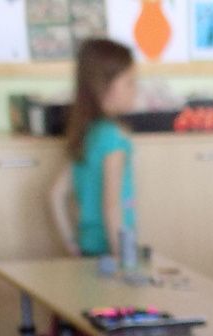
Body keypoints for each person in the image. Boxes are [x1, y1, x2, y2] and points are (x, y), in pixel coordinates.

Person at [67, 38, 139, 258]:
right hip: (112, 251)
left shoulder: (89, 134)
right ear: (105, 87)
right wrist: (124, 261)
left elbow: (54, 194)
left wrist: (70, 243)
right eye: (129, 82)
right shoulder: (113, 139)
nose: (135, 90)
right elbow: (112, 206)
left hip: (87, 248)